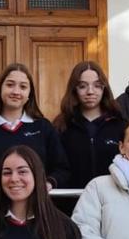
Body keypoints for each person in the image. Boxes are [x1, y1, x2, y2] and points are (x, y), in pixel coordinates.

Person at [0, 64, 71, 208]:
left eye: (23, 87)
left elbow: (62, 169)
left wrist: (48, 182)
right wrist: (12, 185)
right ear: (0, 89)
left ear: (29, 94)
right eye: (10, 85)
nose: (16, 91)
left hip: (38, 209)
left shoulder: (44, 128)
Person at [53, 60, 125, 213]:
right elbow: (56, 168)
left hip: (112, 207)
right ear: (74, 89)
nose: (90, 91)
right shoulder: (61, 126)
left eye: (97, 85)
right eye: (82, 86)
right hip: (70, 207)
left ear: (104, 88)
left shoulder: (120, 125)